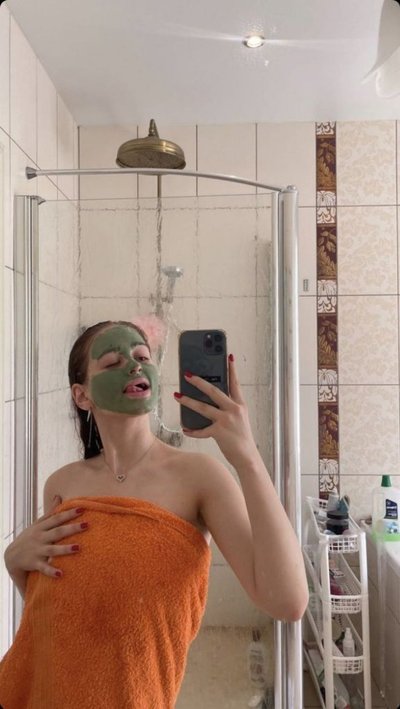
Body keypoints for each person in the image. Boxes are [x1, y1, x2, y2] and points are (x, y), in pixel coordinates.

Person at [1, 320, 308, 708]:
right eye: (113, 362)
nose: (134, 365)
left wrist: (247, 457)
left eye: (142, 356)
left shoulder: (200, 477)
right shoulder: (62, 484)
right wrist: (14, 564)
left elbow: (288, 601)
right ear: (82, 396)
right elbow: (61, 612)